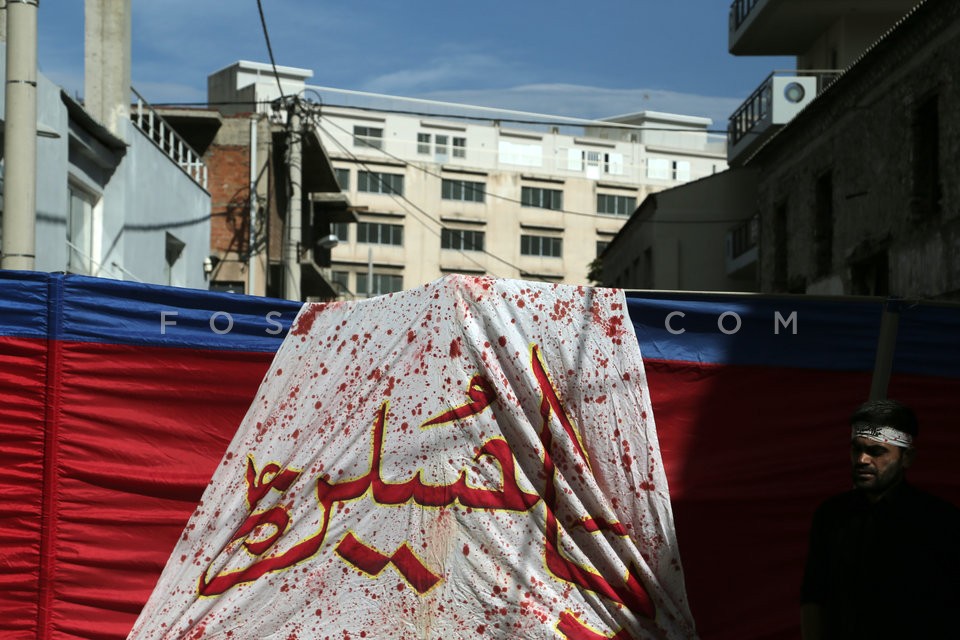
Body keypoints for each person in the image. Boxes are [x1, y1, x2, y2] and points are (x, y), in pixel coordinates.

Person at [800, 399, 960, 639]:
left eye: (877, 451)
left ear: (907, 457)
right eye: (856, 448)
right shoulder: (831, 515)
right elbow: (814, 595)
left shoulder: (942, 521)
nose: (862, 460)